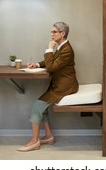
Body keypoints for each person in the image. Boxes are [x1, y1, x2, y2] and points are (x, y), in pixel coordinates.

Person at [17, 21, 79, 152]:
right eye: (51, 32)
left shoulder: (66, 50)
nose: (51, 34)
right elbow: (52, 61)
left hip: (65, 87)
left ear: (62, 34)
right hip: (58, 85)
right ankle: (49, 136)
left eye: (54, 32)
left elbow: (51, 67)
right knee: (42, 109)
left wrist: (49, 48)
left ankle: (35, 141)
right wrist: (37, 65)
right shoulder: (62, 47)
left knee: (36, 107)